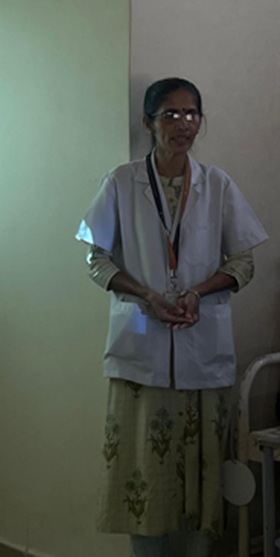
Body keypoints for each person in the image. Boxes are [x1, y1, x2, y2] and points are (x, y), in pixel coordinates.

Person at [75, 77, 268, 557]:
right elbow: (96, 259)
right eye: (171, 114)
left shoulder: (216, 184)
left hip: (204, 356)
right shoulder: (121, 182)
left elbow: (243, 262)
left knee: (204, 482)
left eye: (191, 114)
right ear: (148, 122)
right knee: (143, 480)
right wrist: (146, 294)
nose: (183, 124)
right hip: (141, 354)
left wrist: (198, 293)